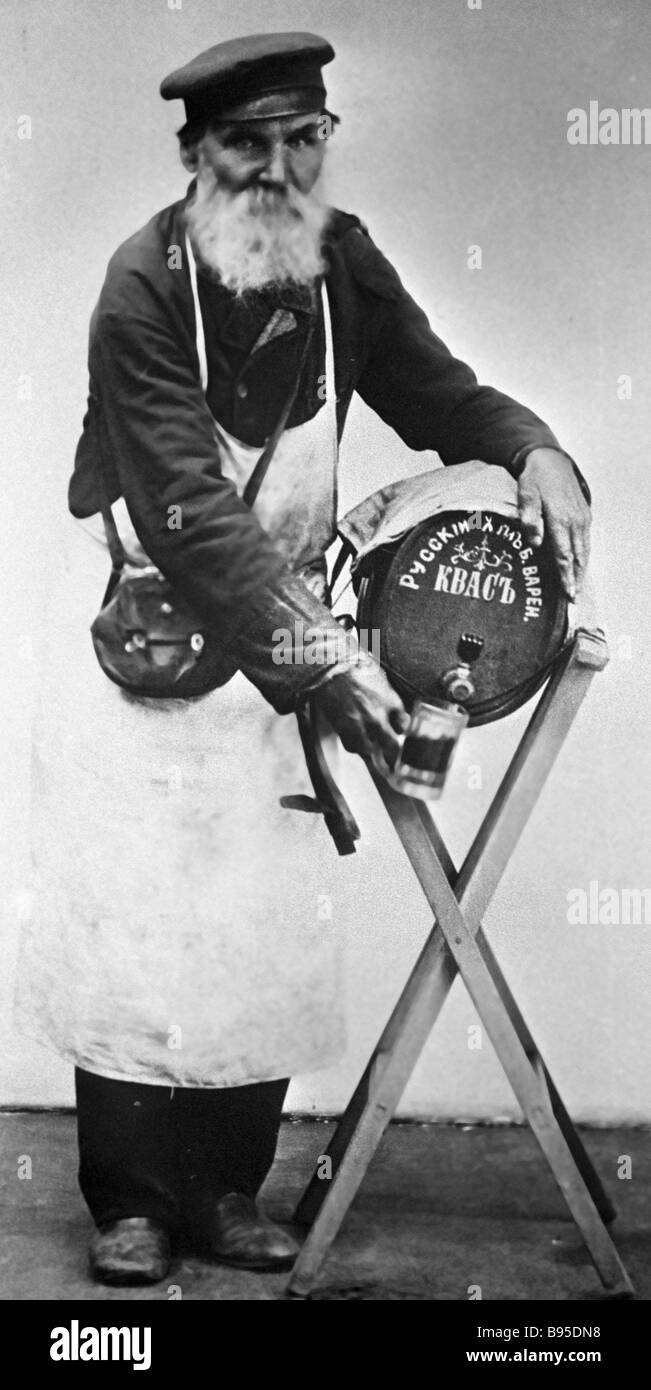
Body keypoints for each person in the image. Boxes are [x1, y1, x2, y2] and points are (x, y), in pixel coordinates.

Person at [16, 31, 591, 1285]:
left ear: (326, 143)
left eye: (302, 138)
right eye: (244, 143)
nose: (276, 169)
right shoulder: (139, 287)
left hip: (282, 648)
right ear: (196, 155)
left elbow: (444, 396)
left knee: (260, 920)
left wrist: (537, 447)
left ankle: (226, 1191)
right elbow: (189, 514)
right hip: (143, 636)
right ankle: (128, 1199)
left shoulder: (342, 265)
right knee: (138, 919)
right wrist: (329, 660)